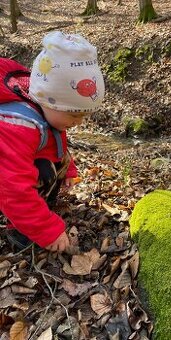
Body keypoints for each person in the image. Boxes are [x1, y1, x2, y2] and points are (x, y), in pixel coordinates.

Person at [0, 31, 105, 252]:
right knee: (42, 170)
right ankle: (18, 229)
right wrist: (47, 230)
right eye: (74, 115)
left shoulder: (45, 109)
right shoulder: (17, 126)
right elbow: (12, 188)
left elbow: (55, 138)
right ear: (48, 101)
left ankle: (38, 210)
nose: (78, 122)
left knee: (55, 163)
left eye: (82, 116)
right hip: (6, 181)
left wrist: (67, 168)